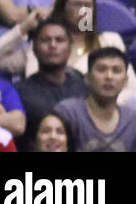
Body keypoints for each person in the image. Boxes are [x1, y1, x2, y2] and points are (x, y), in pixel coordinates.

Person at [23, 0, 136, 103]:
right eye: (77, 5)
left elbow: (132, 87)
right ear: (62, 9)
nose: (84, 11)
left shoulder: (110, 40)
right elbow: (33, 81)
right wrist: (23, 28)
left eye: (88, 5)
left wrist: (101, 105)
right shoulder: (47, 43)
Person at [56, 47, 136, 152]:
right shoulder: (67, 113)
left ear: (125, 81)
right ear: (87, 78)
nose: (109, 76)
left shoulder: (134, 119)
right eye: (101, 70)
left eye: (116, 71)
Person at [18, 18, 88, 147]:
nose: (53, 45)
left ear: (70, 47)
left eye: (59, 40)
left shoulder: (85, 86)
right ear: (34, 48)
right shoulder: (20, 92)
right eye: (45, 40)